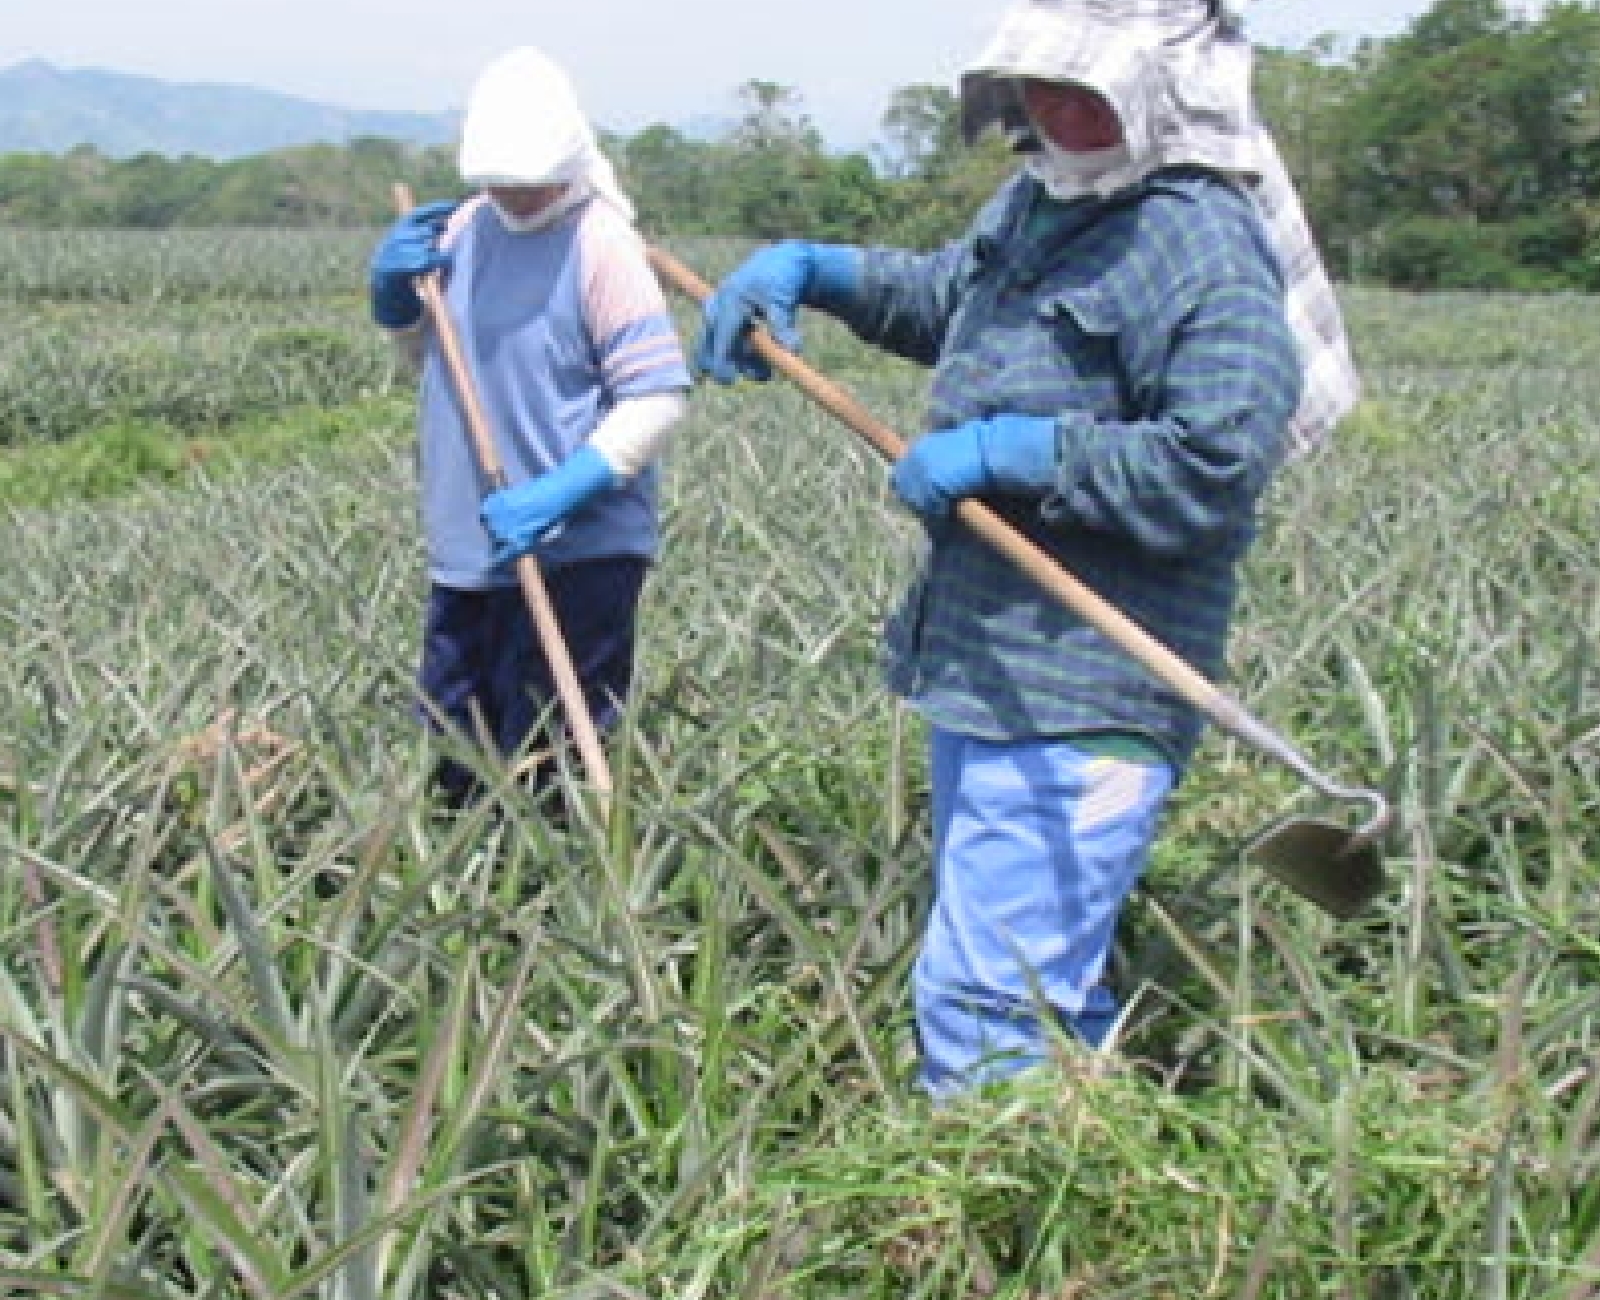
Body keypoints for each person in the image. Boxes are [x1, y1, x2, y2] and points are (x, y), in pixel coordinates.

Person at [696, 0, 1359, 1095]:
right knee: (1024, 976)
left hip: (1093, 677)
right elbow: (948, 300)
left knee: (985, 997)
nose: (1050, 107)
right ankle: (1085, 1174)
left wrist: (1021, 450)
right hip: (988, 664)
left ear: (1159, 93)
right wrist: (820, 271)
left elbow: (1214, 464)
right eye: (1038, 83)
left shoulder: (1198, 239)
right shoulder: (1046, 196)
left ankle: (1001, 1223)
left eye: (1085, 89)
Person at [368, 46, 691, 807]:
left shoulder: (600, 243)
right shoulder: (462, 231)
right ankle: (479, 918)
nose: (515, 198)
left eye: (529, 181)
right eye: (500, 183)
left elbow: (657, 397)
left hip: (577, 551)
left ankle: (554, 902)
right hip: (467, 544)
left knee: (551, 757)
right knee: (455, 749)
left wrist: (561, 492)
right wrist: (396, 306)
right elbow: (437, 364)